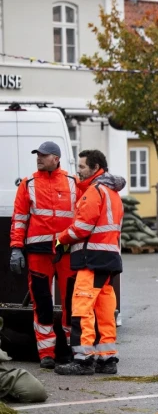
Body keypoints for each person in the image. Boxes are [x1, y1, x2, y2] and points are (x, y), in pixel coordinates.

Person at [53, 150, 126, 376]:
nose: (78, 171)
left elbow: (82, 228)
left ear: (95, 168)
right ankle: (107, 359)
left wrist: (61, 238)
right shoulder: (112, 193)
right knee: (105, 310)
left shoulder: (94, 192)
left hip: (91, 260)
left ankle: (83, 360)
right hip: (109, 259)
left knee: (82, 309)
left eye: (83, 167)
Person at [9, 141, 78, 369]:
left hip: (66, 251)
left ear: (56, 159)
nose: (39, 158)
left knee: (70, 302)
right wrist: (16, 248)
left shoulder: (73, 182)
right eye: (37, 154)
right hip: (38, 253)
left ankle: (71, 350)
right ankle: (46, 353)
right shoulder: (28, 184)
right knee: (42, 302)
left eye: (44, 155)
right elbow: (19, 218)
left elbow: (85, 212)